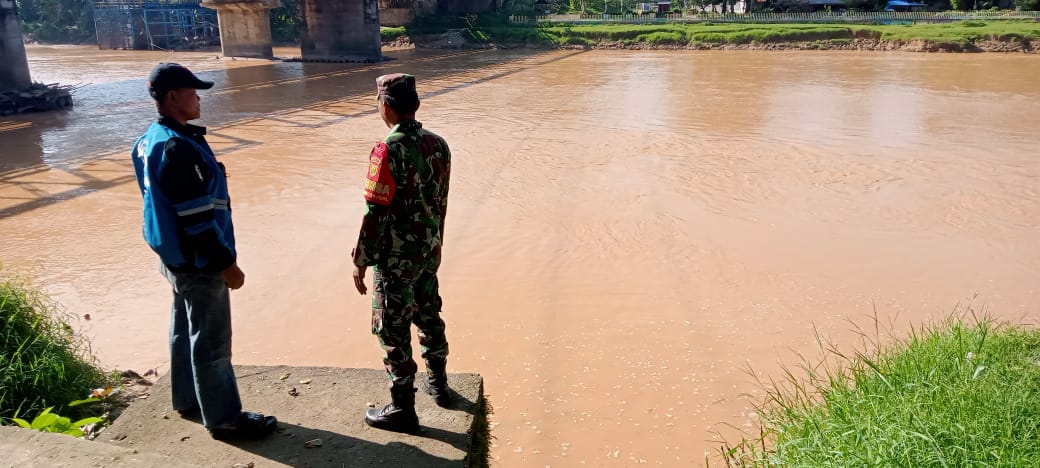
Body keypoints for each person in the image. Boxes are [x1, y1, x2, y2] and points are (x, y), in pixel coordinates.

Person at [130, 62, 277, 440]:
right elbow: (196, 221)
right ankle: (225, 418)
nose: (199, 98)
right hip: (199, 260)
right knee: (212, 342)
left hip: (172, 256)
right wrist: (227, 264)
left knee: (184, 329)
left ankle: (188, 400)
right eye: (193, 92)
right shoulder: (178, 148)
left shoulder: (150, 139)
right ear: (172, 97)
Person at [352, 73, 453, 433]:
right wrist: (434, 245)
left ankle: (402, 408)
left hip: (395, 258)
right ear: (417, 105)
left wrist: (361, 259)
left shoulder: (386, 149)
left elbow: (375, 211)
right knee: (429, 316)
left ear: (385, 107)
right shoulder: (439, 145)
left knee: (392, 329)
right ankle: (439, 384)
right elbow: (440, 204)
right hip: (428, 251)